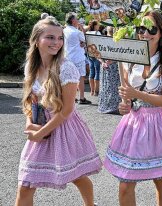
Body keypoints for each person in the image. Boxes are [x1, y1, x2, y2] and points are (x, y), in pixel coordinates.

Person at [104, 11, 162, 206]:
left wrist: (136, 94)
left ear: (160, 33)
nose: (146, 33)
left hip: (157, 124)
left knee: (159, 177)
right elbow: (127, 97)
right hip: (133, 123)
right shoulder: (128, 58)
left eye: (151, 29)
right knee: (125, 182)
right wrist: (125, 104)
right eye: (141, 28)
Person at [16, 17, 102, 206]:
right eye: (50, 37)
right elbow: (31, 100)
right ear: (36, 40)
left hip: (63, 128)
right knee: (26, 183)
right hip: (40, 127)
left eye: (59, 38)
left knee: (75, 175)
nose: (56, 42)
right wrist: (29, 122)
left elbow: (67, 111)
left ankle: (90, 204)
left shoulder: (66, 68)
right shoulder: (31, 67)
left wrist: (41, 132)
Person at [63, 12, 91, 104]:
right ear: (73, 20)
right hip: (78, 57)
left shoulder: (64, 30)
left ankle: (72, 97)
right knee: (80, 78)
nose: (78, 20)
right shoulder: (77, 32)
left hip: (67, 57)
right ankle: (81, 97)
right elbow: (85, 40)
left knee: (70, 78)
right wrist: (82, 29)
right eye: (76, 18)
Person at [98, 26, 121, 114]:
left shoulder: (116, 41)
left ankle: (111, 105)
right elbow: (96, 53)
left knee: (110, 86)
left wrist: (104, 62)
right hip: (108, 67)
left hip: (112, 67)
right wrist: (103, 62)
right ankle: (110, 105)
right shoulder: (104, 41)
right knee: (108, 86)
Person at [85, 20, 102, 96]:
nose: (99, 26)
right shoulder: (97, 33)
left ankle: (92, 91)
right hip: (96, 54)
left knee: (92, 71)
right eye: (98, 25)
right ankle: (96, 91)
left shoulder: (87, 33)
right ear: (95, 26)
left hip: (89, 54)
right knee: (97, 71)